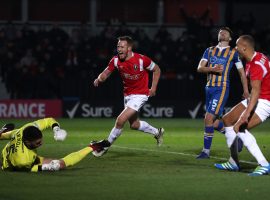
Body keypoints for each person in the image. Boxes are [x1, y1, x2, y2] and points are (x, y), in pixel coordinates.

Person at [93, 35, 164, 157]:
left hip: (140, 95)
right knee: (134, 125)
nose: (119, 49)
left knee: (120, 120)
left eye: (122, 46)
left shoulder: (142, 60)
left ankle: (105, 146)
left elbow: (157, 69)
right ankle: (157, 132)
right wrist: (99, 79)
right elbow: (106, 72)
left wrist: (153, 88)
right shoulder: (115, 60)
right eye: (118, 46)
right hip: (127, 95)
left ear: (129, 48)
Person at [215, 35, 270, 176]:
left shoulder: (256, 65)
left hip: (265, 101)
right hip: (255, 97)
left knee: (239, 128)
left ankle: (264, 164)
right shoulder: (253, 59)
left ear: (244, 47)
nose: (235, 48)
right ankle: (233, 163)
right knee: (227, 119)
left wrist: (246, 114)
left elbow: (257, 91)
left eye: (237, 45)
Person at [196, 27, 249, 159]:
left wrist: (246, 90)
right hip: (209, 87)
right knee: (213, 123)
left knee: (208, 118)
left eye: (225, 32)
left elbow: (242, 73)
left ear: (230, 38)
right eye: (220, 32)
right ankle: (237, 138)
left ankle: (205, 152)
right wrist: (212, 68)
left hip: (222, 88)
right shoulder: (209, 50)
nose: (222, 33)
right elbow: (199, 68)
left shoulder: (233, 53)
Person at [0, 118, 104, 172]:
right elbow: (29, 169)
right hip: (10, 165)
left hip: (21, 152)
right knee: (58, 166)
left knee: (60, 164)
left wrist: (56, 130)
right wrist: (46, 167)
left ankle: (93, 146)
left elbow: (49, 120)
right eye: (37, 143)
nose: (41, 143)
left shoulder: (27, 128)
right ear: (27, 142)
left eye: (41, 140)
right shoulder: (22, 160)